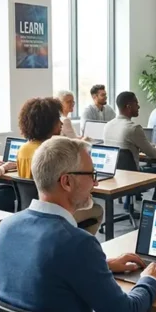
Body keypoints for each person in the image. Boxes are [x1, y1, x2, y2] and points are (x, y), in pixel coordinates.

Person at [0, 136, 156, 312]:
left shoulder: (6, 227)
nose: (95, 183)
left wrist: (104, 265)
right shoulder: (77, 243)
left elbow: (45, 269)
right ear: (66, 182)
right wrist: (150, 279)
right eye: (91, 175)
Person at [15, 96, 104, 235]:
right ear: (48, 123)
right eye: (58, 119)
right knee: (97, 209)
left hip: (31, 209)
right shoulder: (51, 154)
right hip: (55, 211)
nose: (61, 123)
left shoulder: (22, 150)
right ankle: (77, 240)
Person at [103, 92, 156, 201]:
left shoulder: (108, 125)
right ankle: (155, 204)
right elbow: (153, 154)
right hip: (133, 176)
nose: (139, 106)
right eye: (136, 103)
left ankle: (128, 202)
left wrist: (149, 145)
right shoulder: (134, 128)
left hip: (115, 174)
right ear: (128, 106)